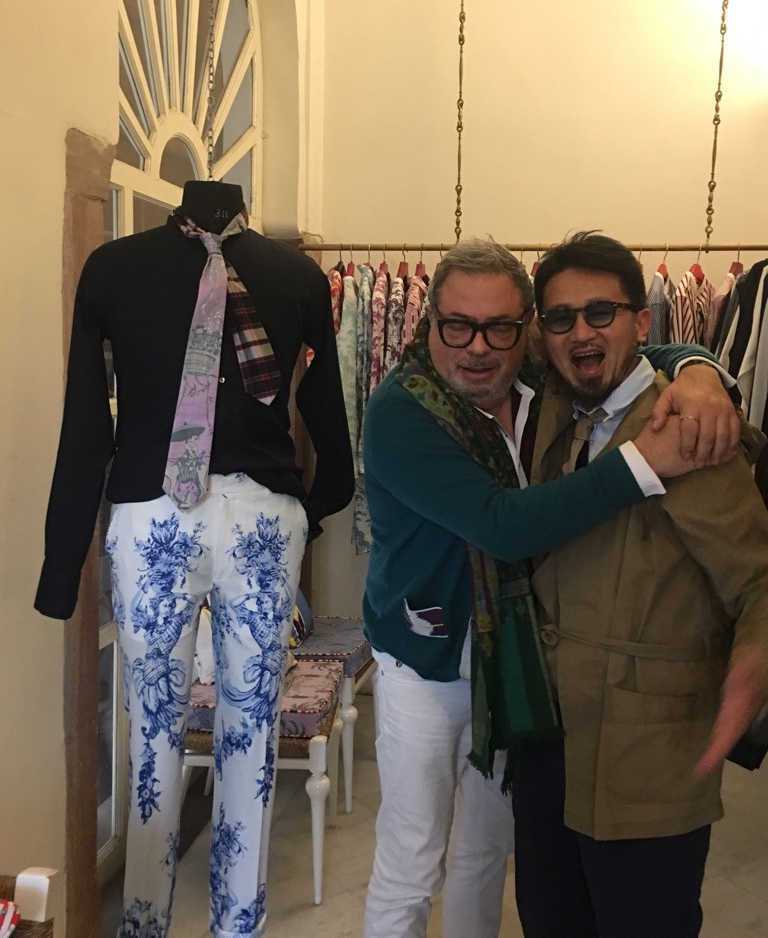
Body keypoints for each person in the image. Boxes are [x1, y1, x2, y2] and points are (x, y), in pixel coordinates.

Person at [361, 239, 740, 938]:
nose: (479, 347)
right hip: (427, 660)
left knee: (486, 848)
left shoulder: (538, 375)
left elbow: (627, 351)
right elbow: (502, 526)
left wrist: (700, 371)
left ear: (526, 328)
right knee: (412, 857)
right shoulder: (400, 411)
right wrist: (642, 463)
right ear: (430, 321)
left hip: (515, 660)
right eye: (458, 326)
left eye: (500, 327)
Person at [35, 181, 354, 938]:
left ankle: (235, 922)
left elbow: (325, 409)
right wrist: (62, 563)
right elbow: (86, 415)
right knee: (157, 728)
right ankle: (146, 920)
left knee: (247, 728)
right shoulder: (113, 269)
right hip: (160, 512)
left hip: (248, 515)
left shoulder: (298, 278)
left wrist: (312, 506)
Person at [511, 231, 768, 937]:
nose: (580, 332)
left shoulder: (690, 431)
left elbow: (760, 583)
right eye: (560, 318)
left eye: (601, 312)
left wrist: (750, 676)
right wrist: (701, 364)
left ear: (642, 321)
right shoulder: (550, 407)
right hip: (549, 748)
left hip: (649, 762)